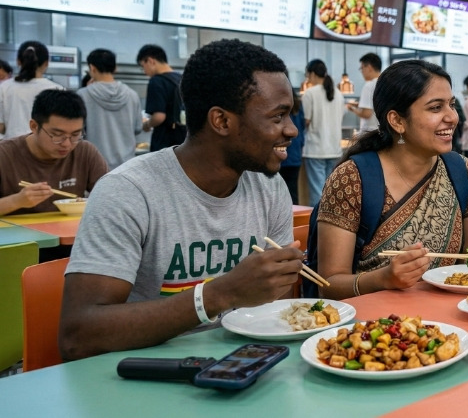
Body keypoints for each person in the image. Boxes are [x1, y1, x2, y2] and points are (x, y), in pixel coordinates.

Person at [60, 39, 305, 360]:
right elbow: (78, 335)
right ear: (221, 121)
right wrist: (220, 294)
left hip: (239, 366)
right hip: (142, 375)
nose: (291, 130)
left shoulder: (268, 187)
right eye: (278, 117)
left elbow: (275, 308)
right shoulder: (128, 191)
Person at [314, 60, 468, 299]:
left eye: (451, 105)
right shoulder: (352, 178)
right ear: (397, 121)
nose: (452, 117)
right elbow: (328, 285)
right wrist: (384, 278)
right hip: (376, 329)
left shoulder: (461, 172)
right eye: (436, 108)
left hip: (450, 322)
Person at [0, 89, 108, 216]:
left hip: (70, 233)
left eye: (75, 135)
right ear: (34, 126)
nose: (67, 144)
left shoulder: (85, 152)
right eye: (57, 135)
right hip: (14, 234)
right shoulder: (4, 154)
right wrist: (16, 201)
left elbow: (111, 198)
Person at [77, 49, 143, 170]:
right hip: (126, 166)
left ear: (92, 68)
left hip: (95, 165)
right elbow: (138, 128)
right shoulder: (132, 95)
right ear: (115, 68)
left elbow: (78, 133)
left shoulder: (82, 95)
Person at [0, 41, 64, 140]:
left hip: (11, 149)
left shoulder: (4, 87)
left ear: (18, 61)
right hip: (45, 148)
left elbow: (1, 127)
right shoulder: (58, 90)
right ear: (46, 63)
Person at [302, 59, 344, 207]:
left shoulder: (310, 94)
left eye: (307, 74)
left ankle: (316, 229)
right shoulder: (339, 94)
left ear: (313, 74)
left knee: (317, 193)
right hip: (334, 149)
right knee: (331, 193)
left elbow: (306, 121)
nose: (307, 78)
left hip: (315, 150)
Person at [137, 44, 185, 152]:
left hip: (165, 142)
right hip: (183, 139)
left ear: (150, 61)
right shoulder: (181, 78)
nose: (144, 71)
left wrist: (147, 125)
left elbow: (159, 116)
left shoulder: (157, 81)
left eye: (142, 66)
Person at [279, 90, 305, 205]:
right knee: (293, 193)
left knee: (278, 193)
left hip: (282, 154)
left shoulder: (277, 102)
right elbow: (303, 126)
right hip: (295, 154)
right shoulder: (298, 104)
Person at [346, 53, 381, 132]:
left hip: (370, 133)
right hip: (382, 132)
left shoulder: (369, 86)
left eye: (361, 68)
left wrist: (352, 109)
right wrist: (356, 104)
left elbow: (366, 114)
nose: (361, 72)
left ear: (369, 68)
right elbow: (374, 105)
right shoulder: (386, 83)